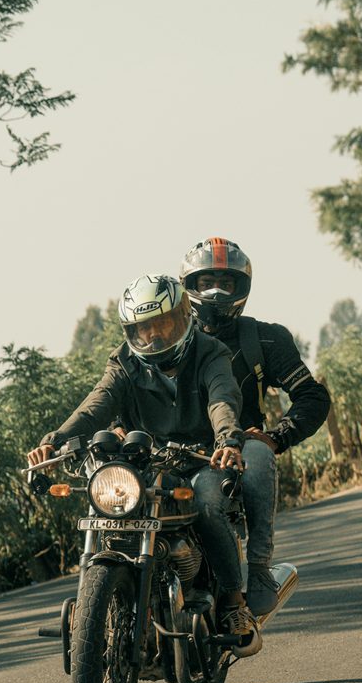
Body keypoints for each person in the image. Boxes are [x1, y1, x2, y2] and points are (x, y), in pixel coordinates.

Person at [27, 274, 261, 657]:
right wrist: (53, 441)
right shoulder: (124, 362)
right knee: (106, 503)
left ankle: (234, 602)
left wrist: (227, 441)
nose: (153, 335)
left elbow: (223, 398)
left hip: (201, 456)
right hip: (146, 461)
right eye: (143, 327)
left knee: (205, 500)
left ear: (184, 316)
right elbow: (96, 404)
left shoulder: (210, 352)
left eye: (162, 323)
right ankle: (97, 608)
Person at [179, 237, 331, 614]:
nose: (215, 291)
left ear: (241, 289)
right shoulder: (169, 340)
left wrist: (278, 436)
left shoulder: (264, 337)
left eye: (226, 283)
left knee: (259, 452)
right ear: (189, 288)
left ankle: (259, 568)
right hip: (174, 451)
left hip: (238, 450)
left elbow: (312, 395)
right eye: (205, 282)